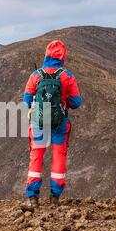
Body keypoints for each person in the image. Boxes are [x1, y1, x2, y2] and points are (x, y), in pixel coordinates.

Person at [23, 40, 82, 207]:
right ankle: (54, 197)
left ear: (46, 54)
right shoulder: (67, 76)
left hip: (39, 122)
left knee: (36, 157)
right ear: (63, 56)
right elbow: (76, 102)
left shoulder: (36, 75)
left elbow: (26, 101)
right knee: (58, 157)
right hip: (60, 123)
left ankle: (33, 198)